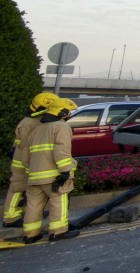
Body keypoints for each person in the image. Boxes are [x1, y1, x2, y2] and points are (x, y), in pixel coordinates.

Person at [22, 98, 79, 243]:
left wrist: (30, 172)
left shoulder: (37, 129)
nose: (70, 115)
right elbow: (61, 151)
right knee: (58, 201)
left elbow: (26, 155)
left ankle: (30, 234)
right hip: (53, 175)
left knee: (33, 205)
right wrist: (65, 171)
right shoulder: (61, 127)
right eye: (69, 112)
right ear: (63, 112)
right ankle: (58, 231)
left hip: (34, 176)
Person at [3, 92, 58, 228]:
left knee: (27, 190)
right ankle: (10, 218)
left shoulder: (34, 120)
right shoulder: (30, 123)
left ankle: (26, 214)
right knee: (18, 188)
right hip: (22, 162)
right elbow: (28, 146)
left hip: (26, 161)